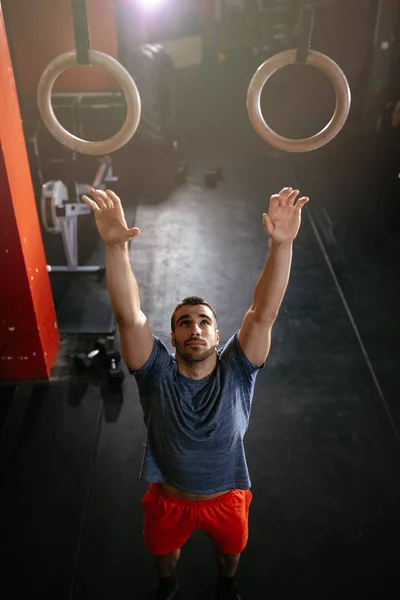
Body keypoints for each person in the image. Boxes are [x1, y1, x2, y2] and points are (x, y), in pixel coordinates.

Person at [82, 186, 309, 600]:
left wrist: (282, 244)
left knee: (229, 558)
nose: (195, 329)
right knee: (166, 561)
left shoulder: (238, 370)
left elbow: (264, 313)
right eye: (184, 323)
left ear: (218, 335)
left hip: (227, 500)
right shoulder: (155, 374)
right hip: (169, 502)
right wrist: (115, 248)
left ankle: (226, 585)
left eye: (204, 321)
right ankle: (168, 586)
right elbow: (128, 317)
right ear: (172, 336)